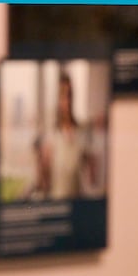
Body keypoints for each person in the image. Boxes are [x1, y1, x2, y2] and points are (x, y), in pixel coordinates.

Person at [36, 68, 98, 200]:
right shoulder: (51, 135)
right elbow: (43, 184)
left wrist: (92, 163)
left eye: (69, 95)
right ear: (58, 99)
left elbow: (92, 179)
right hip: (57, 205)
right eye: (63, 95)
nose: (67, 101)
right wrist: (42, 167)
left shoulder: (82, 133)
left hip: (78, 205)